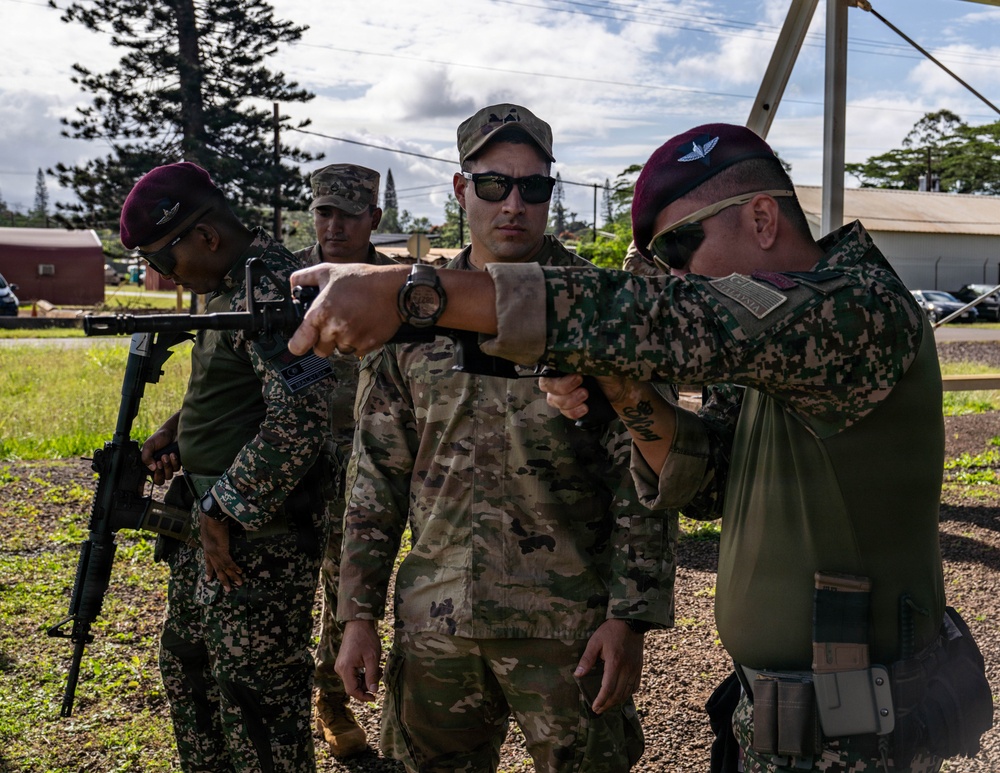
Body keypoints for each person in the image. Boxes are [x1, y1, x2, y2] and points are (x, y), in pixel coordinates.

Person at [286, 123, 989, 772]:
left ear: (764, 218)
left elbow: (669, 318)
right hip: (784, 715)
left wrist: (416, 293)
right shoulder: (766, 351)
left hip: (854, 720)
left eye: (681, 251)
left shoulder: (852, 307)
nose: (680, 278)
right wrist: (624, 392)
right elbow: (709, 483)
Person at [331, 103, 675, 773]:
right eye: (493, 184)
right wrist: (357, 614)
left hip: (566, 630)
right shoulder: (413, 312)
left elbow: (645, 471)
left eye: (533, 186)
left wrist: (629, 616)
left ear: (551, 191)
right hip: (438, 628)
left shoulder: (599, 310)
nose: (513, 203)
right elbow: (376, 474)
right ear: (462, 190)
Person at [128, 161, 336, 772]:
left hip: (258, 543)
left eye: (164, 262)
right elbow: (239, 392)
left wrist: (223, 509)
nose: (162, 278)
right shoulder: (226, 287)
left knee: (257, 699)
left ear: (208, 238)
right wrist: (178, 431)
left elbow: (300, 416)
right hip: (209, 529)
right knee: (190, 672)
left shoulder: (270, 288)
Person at [293, 162, 396, 759]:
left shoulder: (397, 286)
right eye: (324, 212)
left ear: (373, 219)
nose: (333, 225)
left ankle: (329, 700)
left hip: (367, 458)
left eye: (348, 214)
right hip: (289, 458)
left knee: (347, 588)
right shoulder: (288, 280)